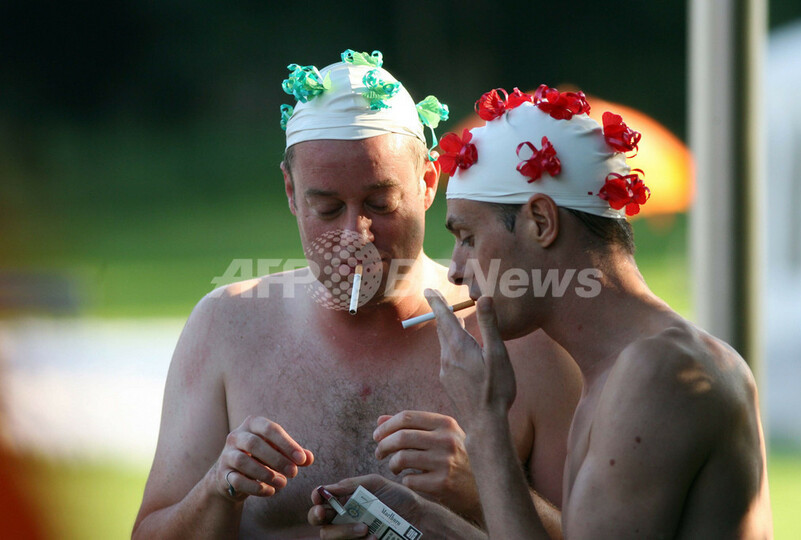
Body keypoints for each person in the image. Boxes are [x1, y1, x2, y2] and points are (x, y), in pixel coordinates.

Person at [132, 52, 581, 539]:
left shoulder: (524, 340)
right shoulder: (227, 325)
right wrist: (217, 489)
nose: (355, 235)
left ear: (428, 183)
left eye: (380, 203)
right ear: (291, 192)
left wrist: (483, 486)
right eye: (327, 208)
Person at [309, 85, 773, 538]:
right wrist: (426, 520)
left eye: (468, 237)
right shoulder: (615, 368)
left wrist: (485, 423)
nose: (456, 270)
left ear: (541, 221)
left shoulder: (656, 372)